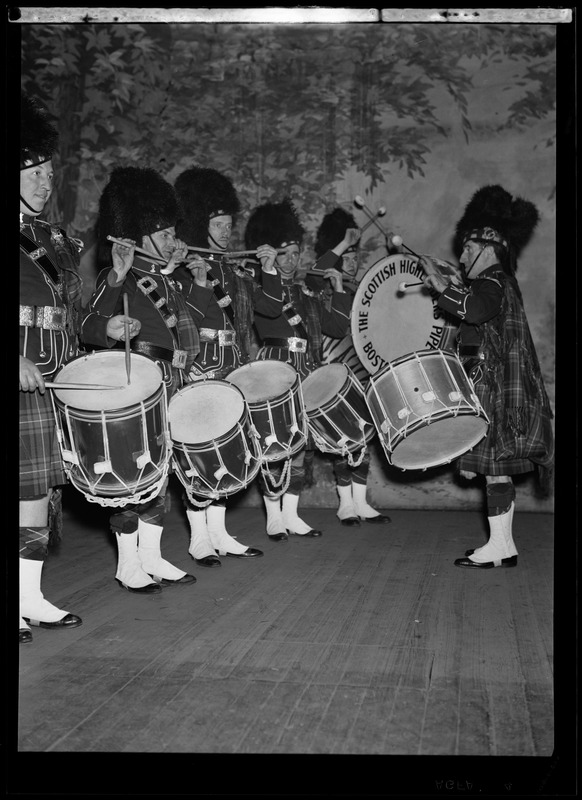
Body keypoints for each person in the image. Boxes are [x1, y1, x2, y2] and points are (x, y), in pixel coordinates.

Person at [19, 93, 135, 643]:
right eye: (32, 171)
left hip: (50, 381)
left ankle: (28, 597)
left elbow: (77, 321)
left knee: (36, 491)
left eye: (46, 170)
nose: (44, 182)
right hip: (20, 372)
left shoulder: (55, 240)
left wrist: (111, 292)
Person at [418, 184, 554, 569]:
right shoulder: (495, 283)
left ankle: (499, 546)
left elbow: (475, 311)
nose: (461, 258)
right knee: (496, 475)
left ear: (488, 244)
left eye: (466, 249)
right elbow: (476, 317)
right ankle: (503, 546)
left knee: (494, 472)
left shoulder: (493, 281)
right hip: (496, 389)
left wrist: (442, 286)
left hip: (496, 393)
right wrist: (444, 283)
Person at [81, 166, 199, 592]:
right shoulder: (119, 274)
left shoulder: (166, 281)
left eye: (171, 232)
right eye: (165, 234)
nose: (173, 241)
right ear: (140, 234)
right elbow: (89, 321)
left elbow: (184, 327)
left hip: (167, 380)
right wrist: (116, 273)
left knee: (160, 474)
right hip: (135, 384)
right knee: (130, 474)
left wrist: (173, 269)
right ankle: (127, 564)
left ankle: (151, 557)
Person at [172, 167, 284, 566]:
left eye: (228, 224)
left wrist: (270, 271)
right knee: (197, 455)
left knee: (227, 453)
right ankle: (198, 538)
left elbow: (270, 308)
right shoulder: (181, 268)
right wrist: (200, 284)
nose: (224, 231)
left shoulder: (235, 268)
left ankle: (219, 533)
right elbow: (181, 319)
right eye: (217, 224)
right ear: (200, 222)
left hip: (232, 370)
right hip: (200, 369)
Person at [244, 198, 353, 540]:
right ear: (269, 256)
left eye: (294, 254)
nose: (291, 261)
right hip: (277, 370)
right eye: (283, 254)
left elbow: (338, 328)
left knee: (302, 446)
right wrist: (270, 271)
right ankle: (273, 516)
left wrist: (337, 288)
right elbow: (271, 313)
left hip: (307, 370)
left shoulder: (308, 289)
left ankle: (291, 514)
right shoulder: (262, 288)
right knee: (275, 443)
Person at [310, 208, 391, 527]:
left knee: (365, 435)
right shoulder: (320, 287)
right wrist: (343, 243)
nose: (354, 259)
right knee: (344, 438)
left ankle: (361, 501)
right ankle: (345, 504)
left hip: (364, 371)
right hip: (335, 372)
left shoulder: (362, 288)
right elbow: (316, 272)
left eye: (357, 253)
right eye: (349, 253)